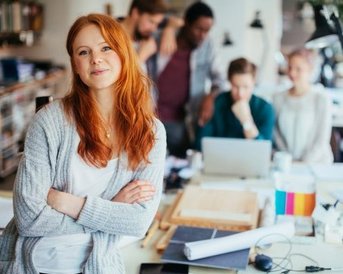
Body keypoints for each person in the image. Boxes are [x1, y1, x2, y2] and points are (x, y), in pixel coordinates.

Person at [0, 13, 166, 274]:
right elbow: (29, 219)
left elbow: (138, 222)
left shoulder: (151, 132)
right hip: (35, 265)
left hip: (100, 265)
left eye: (106, 48)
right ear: (75, 64)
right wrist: (113, 208)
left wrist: (70, 203)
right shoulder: (50, 122)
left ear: (123, 53)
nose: (96, 59)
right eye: (83, 52)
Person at [154, 1, 227, 157]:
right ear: (186, 23)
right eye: (198, 29)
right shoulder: (161, 37)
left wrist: (210, 97)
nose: (203, 35)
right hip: (151, 118)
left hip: (182, 123)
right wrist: (169, 27)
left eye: (207, 30)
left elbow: (220, 80)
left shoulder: (208, 46)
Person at [195, 57, 275, 151]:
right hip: (220, 160)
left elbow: (263, 151)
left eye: (246, 87)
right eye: (235, 86)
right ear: (229, 82)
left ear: (253, 83)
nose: (240, 94)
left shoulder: (265, 109)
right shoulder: (216, 103)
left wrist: (246, 121)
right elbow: (200, 145)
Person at [273, 48, 333, 163]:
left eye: (298, 69)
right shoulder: (278, 98)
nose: (292, 73)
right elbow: (276, 134)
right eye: (290, 67)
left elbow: (321, 140)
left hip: (317, 164)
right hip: (288, 164)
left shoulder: (321, 98)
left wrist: (303, 164)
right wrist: (289, 160)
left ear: (310, 70)